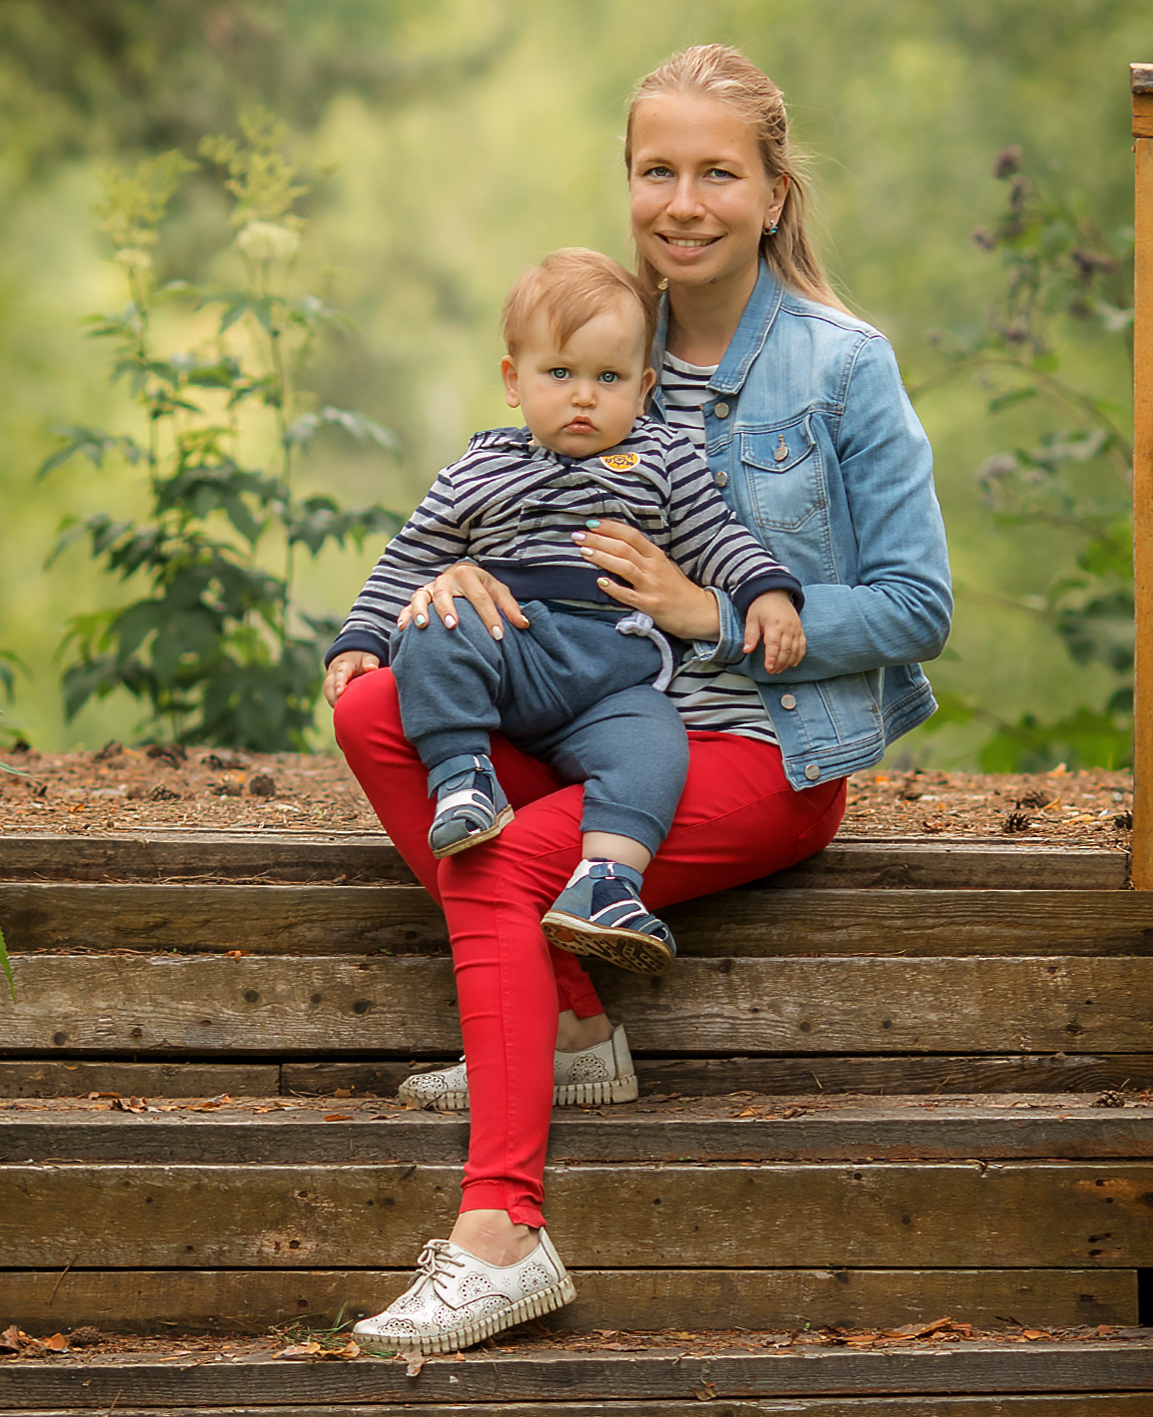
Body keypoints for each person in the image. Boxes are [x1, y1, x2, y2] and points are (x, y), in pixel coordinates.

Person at [326, 43, 954, 1356]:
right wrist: (454, 584)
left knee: (500, 865)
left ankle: (504, 1232)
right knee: (378, 706)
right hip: (587, 703)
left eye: (719, 172)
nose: (685, 201)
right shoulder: (603, 330)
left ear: (776, 192)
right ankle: (569, 1029)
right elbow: (507, 493)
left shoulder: (845, 367)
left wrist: (708, 607)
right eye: (656, 169)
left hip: (757, 743)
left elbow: (916, 604)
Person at [325, 248, 807, 975]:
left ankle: (607, 880)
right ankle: (463, 778)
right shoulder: (477, 468)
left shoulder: (663, 460)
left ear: (644, 388)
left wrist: (765, 592)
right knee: (437, 623)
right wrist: (359, 637)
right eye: (561, 373)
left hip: (612, 674)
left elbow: (717, 537)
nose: (584, 396)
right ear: (513, 381)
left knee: (656, 746)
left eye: (608, 378)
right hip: (509, 653)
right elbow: (411, 557)